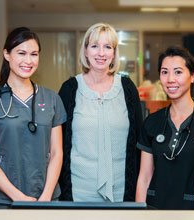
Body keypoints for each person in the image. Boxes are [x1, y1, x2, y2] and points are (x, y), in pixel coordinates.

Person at [0, 27, 66, 209]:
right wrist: (17, 196)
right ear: (6, 54)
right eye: (21, 53)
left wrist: (46, 196)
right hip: (1, 201)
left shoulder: (52, 99)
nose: (28, 61)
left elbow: (56, 153)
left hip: (45, 198)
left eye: (34, 54)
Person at [58, 23, 142, 202]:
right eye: (95, 46)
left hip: (121, 192)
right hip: (78, 192)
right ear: (86, 51)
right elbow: (58, 146)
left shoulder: (127, 88)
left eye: (107, 47)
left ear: (114, 53)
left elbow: (138, 144)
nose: (101, 53)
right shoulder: (69, 89)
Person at [135, 46, 194, 209]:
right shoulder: (152, 122)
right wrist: (139, 214)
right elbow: (144, 177)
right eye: (164, 72)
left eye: (178, 72)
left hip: (192, 210)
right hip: (155, 208)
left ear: (193, 76)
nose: (170, 79)